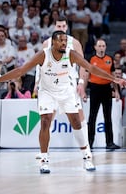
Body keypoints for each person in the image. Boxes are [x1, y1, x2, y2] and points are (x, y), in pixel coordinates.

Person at [0, 30, 126, 174]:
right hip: (47, 92)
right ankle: (44, 160)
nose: (64, 43)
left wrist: (114, 79)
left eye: (65, 40)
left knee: (76, 122)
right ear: (53, 42)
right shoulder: (43, 54)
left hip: (66, 91)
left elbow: (90, 68)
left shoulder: (71, 53)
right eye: (61, 40)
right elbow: (20, 70)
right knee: (45, 121)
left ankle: (86, 157)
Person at [34, 16, 89, 159]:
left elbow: (84, 65)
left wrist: (82, 84)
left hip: (70, 83)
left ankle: (86, 147)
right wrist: (36, 83)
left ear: (67, 27)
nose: (61, 29)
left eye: (63, 26)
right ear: (54, 27)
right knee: (47, 118)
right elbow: (39, 66)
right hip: (50, 84)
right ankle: (44, 151)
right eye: (58, 26)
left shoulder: (74, 42)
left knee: (78, 116)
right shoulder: (47, 43)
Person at [86, 39, 121, 150]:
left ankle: (109, 142)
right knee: (92, 117)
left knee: (108, 117)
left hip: (106, 89)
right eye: (99, 46)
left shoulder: (109, 59)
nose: (102, 48)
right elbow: (86, 76)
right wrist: (83, 90)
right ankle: (89, 142)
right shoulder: (91, 59)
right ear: (95, 47)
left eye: (103, 46)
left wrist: (116, 91)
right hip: (95, 89)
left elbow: (113, 76)